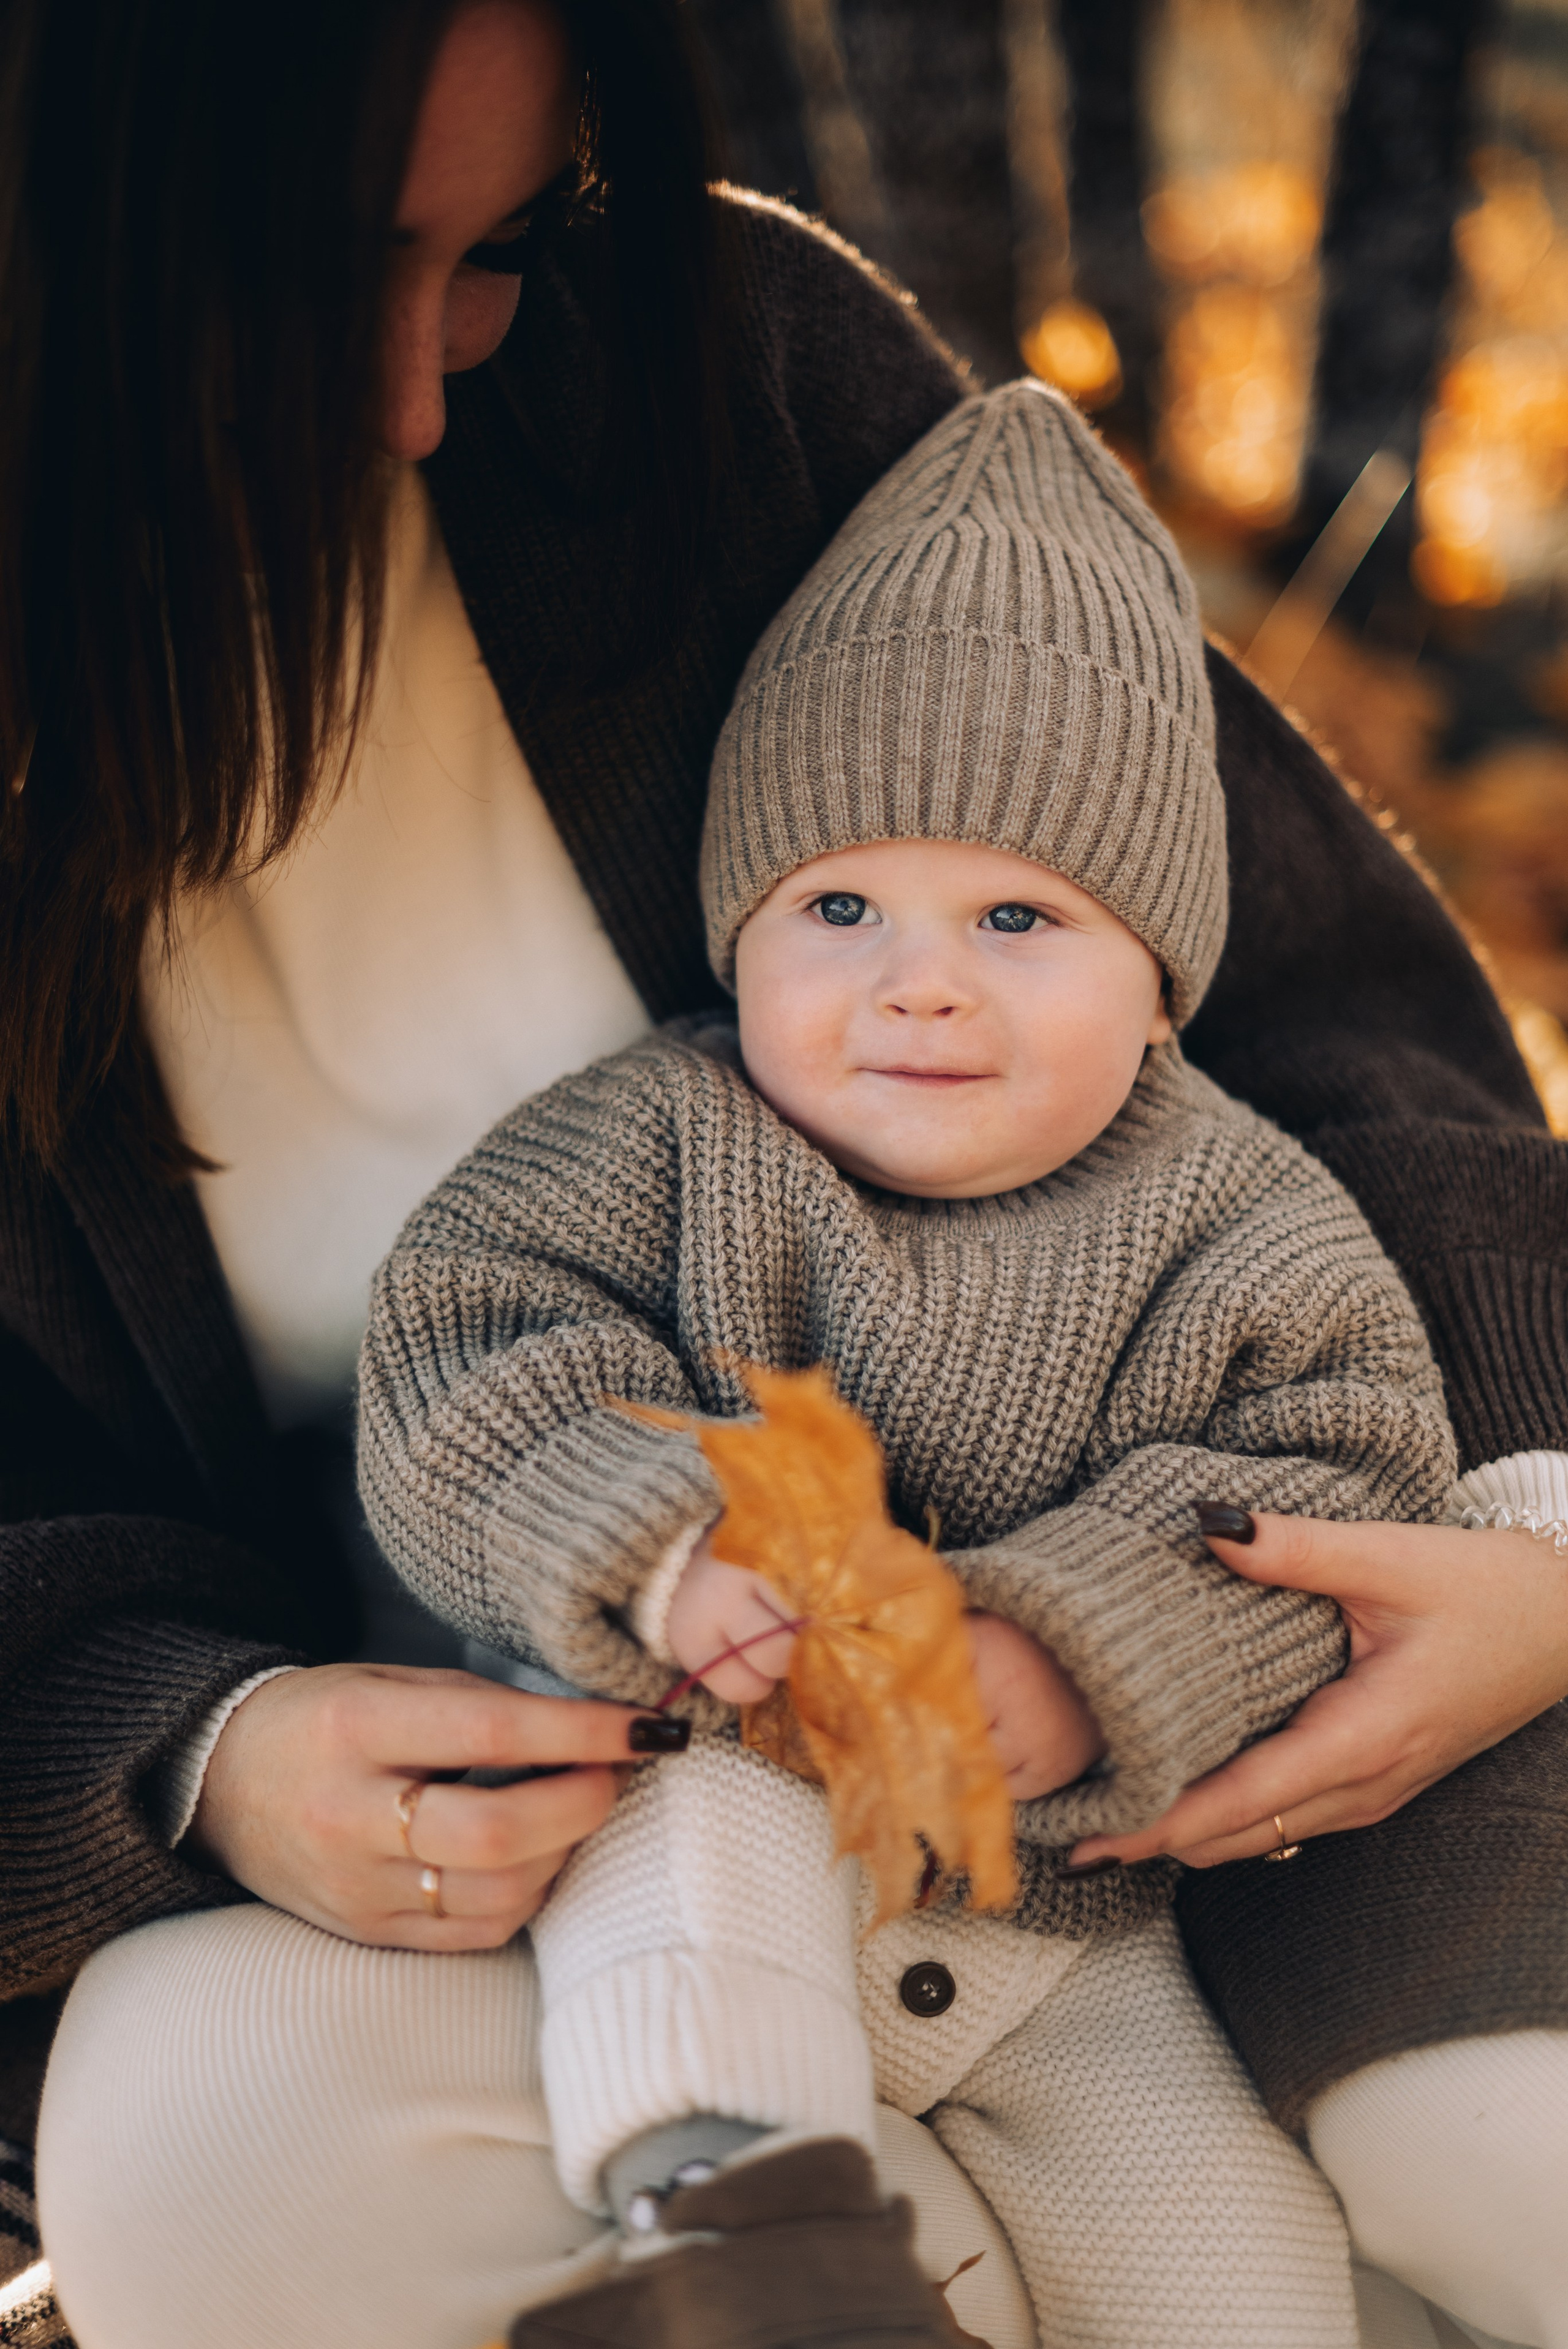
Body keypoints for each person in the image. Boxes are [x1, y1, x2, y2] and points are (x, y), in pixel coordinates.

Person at [2, 3, 1565, 2345]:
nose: (427, 393)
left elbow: (1341, 1030)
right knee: (203, 2131)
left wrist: (1533, 1538)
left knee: (1454, 2169)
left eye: (505, 253)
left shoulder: (734, 384)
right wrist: (194, 1750)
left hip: (1192, 1821)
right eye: (330, 276)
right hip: (564, 1849)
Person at [356, 378, 1458, 2349]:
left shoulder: (1242, 1214)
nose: (919, 977)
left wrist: (1075, 1645)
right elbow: (469, 1347)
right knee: (691, 1866)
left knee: (1236, 2258)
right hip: (709, 1762)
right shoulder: (653, 1139)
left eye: (1019, 915)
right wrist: (674, 1552)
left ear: (1163, 973)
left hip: (1070, 1924)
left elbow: (1343, 1474)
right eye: (838, 904)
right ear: (741, 926)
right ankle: (743, 2257)